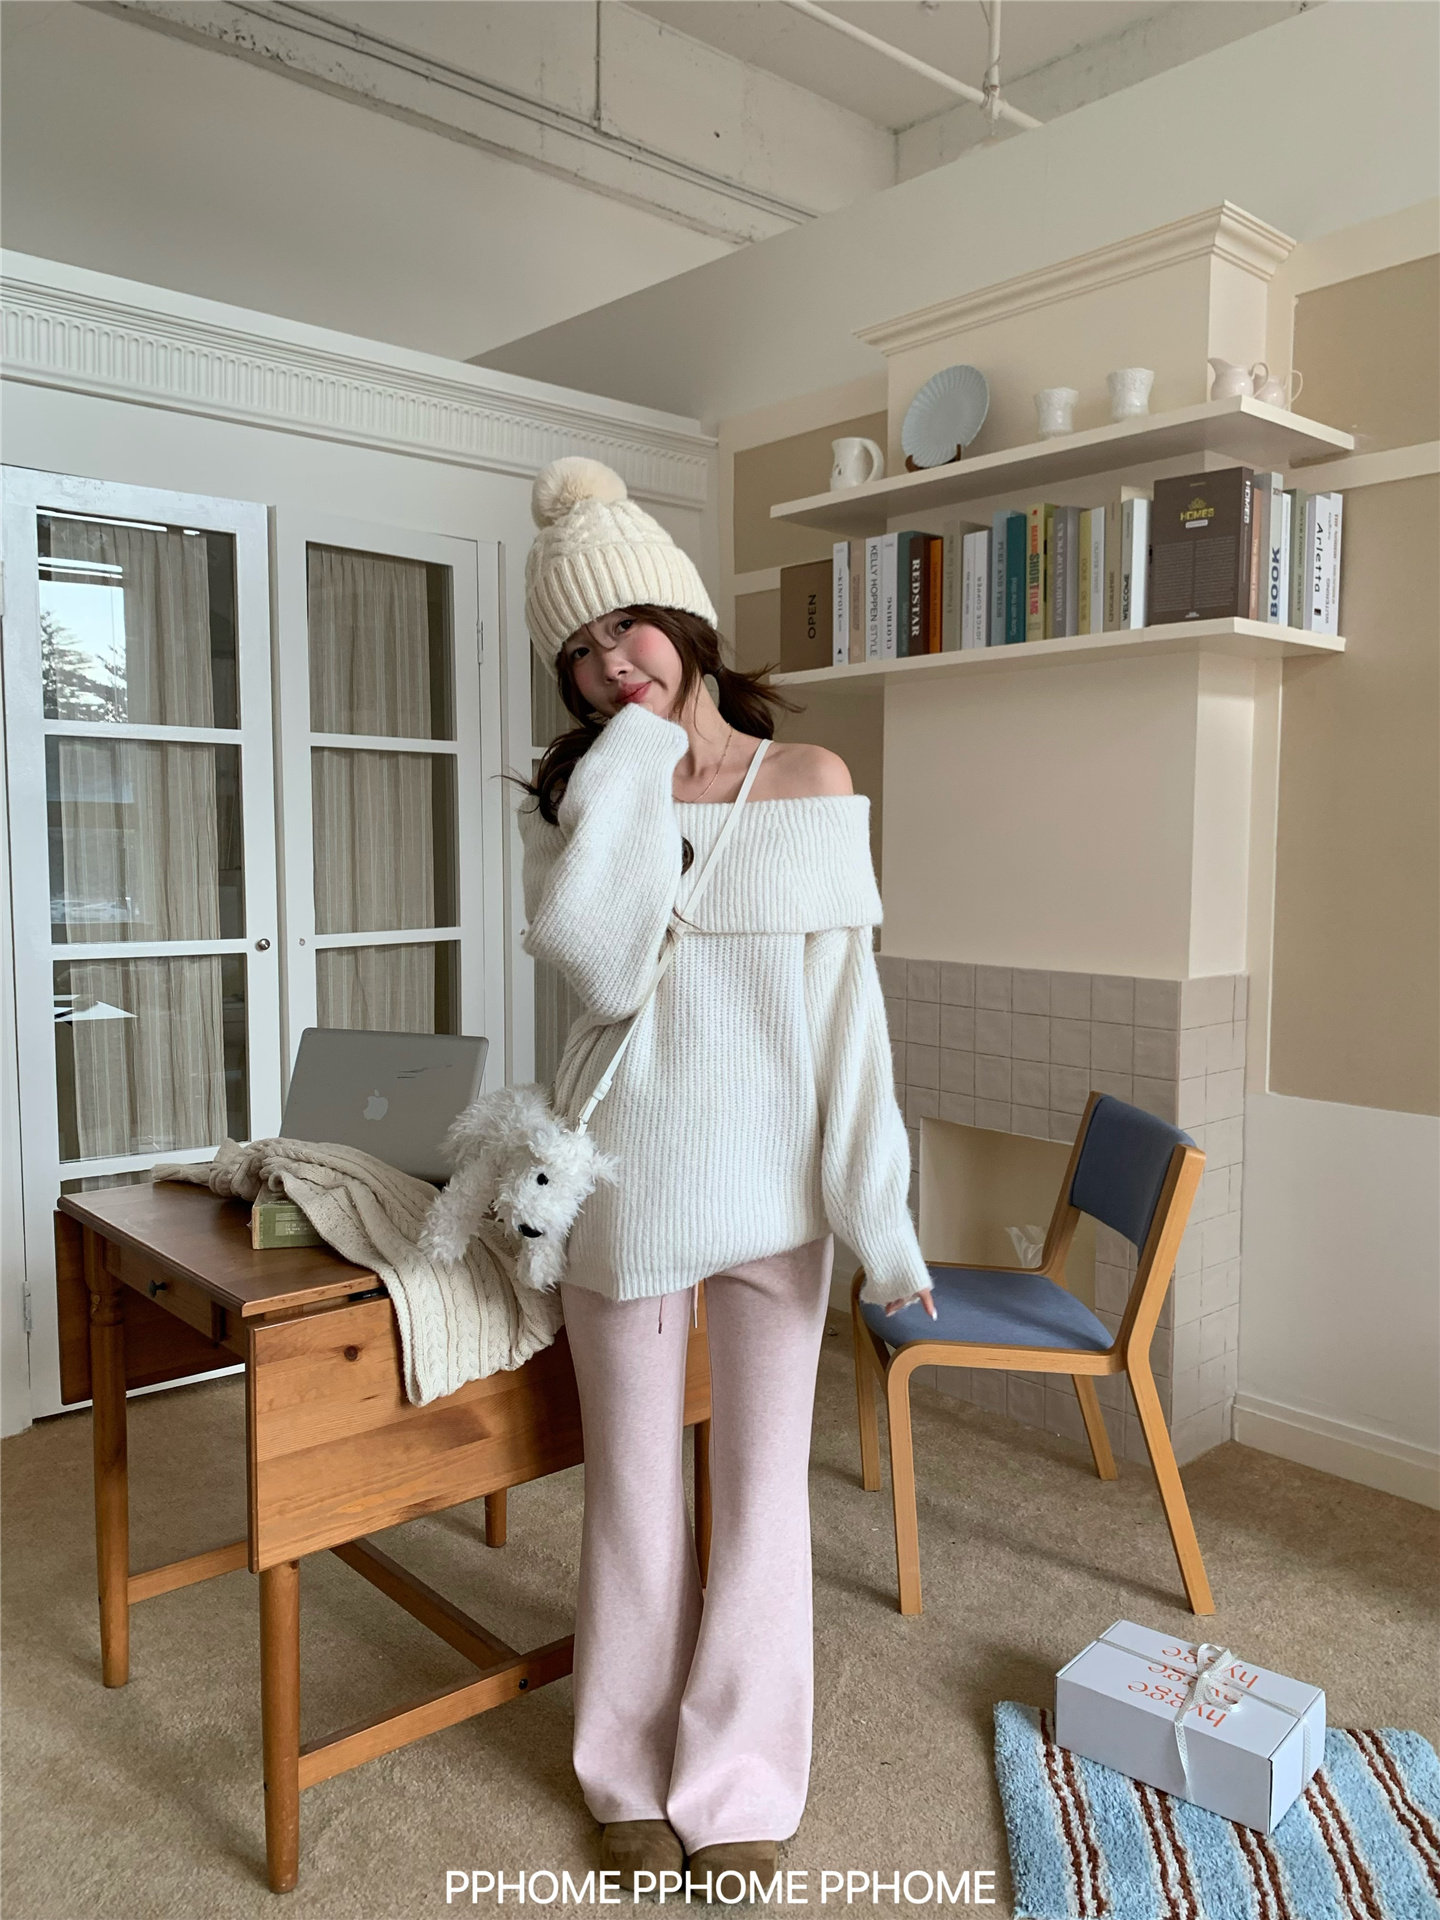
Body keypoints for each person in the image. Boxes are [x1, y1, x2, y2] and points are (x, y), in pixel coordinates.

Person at [509, 457, 935, 1892]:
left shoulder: (810, 784)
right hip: (626, 1190)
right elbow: (598, 968)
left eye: (623, 626)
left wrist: (882, 1223)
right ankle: (625, 1772)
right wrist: (632, 767)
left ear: (682, 619)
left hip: (775, 1199)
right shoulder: (586, 799)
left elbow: (848, 1030)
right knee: (634, 1498)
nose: (605, 662)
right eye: (577, 652)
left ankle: (741, 1782)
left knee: (762, 1500)